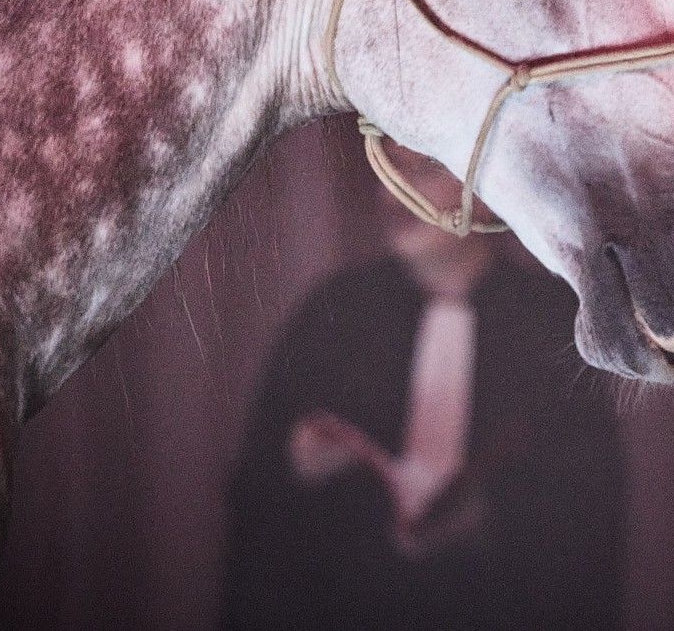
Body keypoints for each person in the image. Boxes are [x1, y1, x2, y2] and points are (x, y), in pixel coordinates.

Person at [220, 147, 625, 630]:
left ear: (488, 194)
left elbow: (590, 509)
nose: (398, 191)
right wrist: (298, 458)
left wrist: (485, 516)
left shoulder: (555, 327)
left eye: (427, 167)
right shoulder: (335, 312)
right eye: (391, 168)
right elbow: (255, 494)